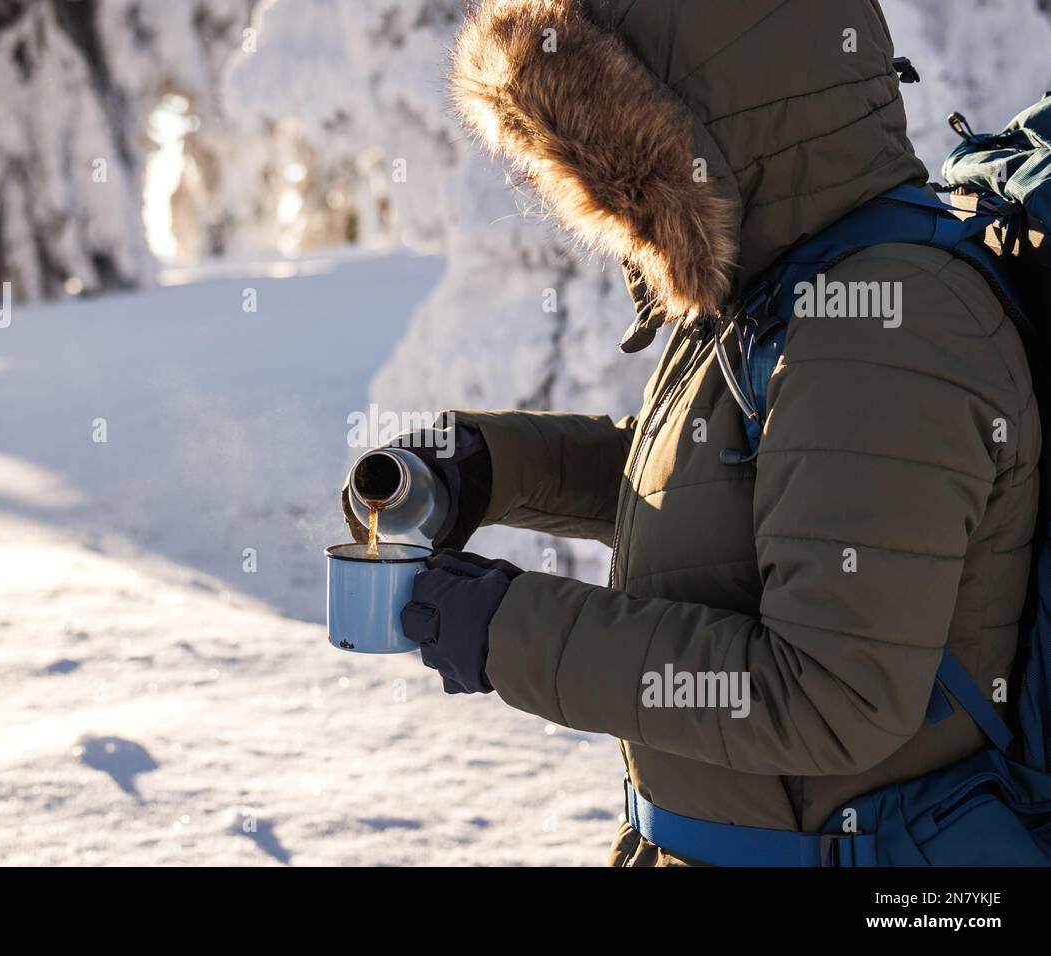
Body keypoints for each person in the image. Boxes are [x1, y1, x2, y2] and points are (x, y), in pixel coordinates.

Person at [343, 0, 1041, 866]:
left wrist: (504, 629)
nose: (595, 200)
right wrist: (491, 467)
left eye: (606, 159)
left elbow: (827, 697)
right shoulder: (781, 290)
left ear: (700, 128)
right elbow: (730, 487)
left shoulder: (883, 329)